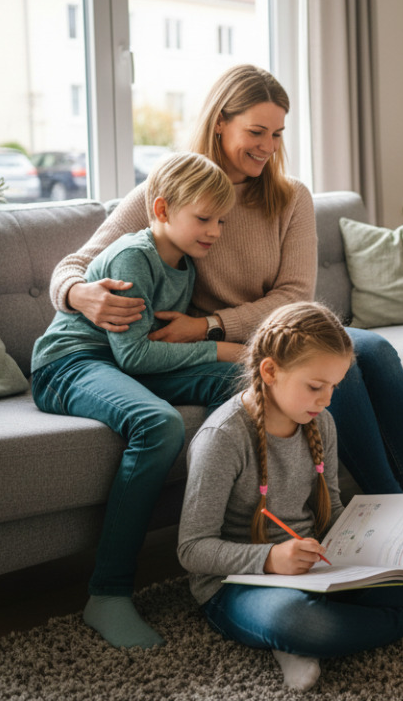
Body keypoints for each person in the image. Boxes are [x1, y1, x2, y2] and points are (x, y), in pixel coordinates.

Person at [48, 65, 403, 498]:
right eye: (257, 132)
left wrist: (208, 325)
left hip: (273, 330)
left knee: (375, 349)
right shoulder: (172, 188)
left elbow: (295, 298)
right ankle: (386, 500)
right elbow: (75, 263)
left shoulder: (291, 197)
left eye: (278, 134)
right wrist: (78, 294)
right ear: (219, 124)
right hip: (217, 351)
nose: (268, 146)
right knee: (334, 363)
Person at [178, 302, 403, 691]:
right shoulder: (222, 438)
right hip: (238, 582)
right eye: (315, 386)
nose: (326, 400)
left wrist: (382, 541)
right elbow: (191, 549)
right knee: (299, 622)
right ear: (270, 371)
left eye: (334, 386)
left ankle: (313, 633)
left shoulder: (320, 420)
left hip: (316, 565)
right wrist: (270, 558)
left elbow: (332, 508)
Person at [31, 152, 242, 647]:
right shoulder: (133, 256)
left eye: (221, 221)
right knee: (159, 424)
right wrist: (218, 346)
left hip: (122, 362)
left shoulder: (185, 263)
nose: (215, 230)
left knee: (238, 380)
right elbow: (135, 359)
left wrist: (223, 358)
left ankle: (228, 538)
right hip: (70, 365)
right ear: (163, 209)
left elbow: (153, 348)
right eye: (204, 218)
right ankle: (107, 593)